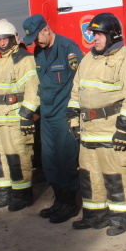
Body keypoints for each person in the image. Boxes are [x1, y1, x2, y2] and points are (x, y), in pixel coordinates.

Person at [67, 13, 126, 235]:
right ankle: (94, 216)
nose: (94, 39)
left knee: (116, 176)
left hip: (113, 130)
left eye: (99, 34)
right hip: (89, 130)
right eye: (93, 34)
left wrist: (125, 127)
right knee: (90, 176)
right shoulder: (88, 58)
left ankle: (121, 219)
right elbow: (76, 91)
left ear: (113, 35)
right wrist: (73, 119)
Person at [22, 15, 82, 224]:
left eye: (36, 36)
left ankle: (69, 204)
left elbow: (79, 83)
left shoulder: (68, 48)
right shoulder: (38, 51)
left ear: (46, 29)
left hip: (63, 114)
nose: (35, 42)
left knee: (65, 160)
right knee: (49, 160)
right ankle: (58, 200)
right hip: (47, 114)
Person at [0, 19, 40, 211]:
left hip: (14, 119)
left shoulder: (24, 59)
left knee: (18, 158)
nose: (1, 43)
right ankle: (4, 193)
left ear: (13, 38)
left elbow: (33, 90)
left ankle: (21, 195)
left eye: (5, 39)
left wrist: (26, 114)